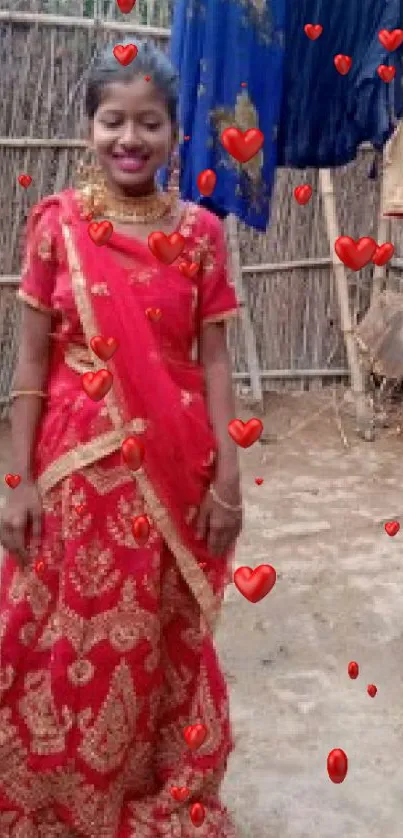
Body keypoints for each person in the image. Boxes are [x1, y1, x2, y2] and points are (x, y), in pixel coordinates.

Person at [0, 39, 242, 837]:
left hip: (174, 466)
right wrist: (16, 478)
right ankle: (47, 794)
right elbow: (31, 361)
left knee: (153, 631)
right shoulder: (55, 227)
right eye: (112, 121)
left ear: (176, 136)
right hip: (71, 467)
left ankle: (138, 780)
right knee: (56, 631)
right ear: (88, 128)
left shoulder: (203, 233)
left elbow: (213, 363)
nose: (128, 138)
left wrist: (227, 479)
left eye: (148, 124)